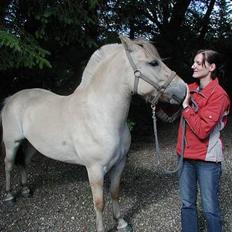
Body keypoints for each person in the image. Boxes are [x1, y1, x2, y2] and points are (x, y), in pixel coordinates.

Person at [176, 49, 230, 232]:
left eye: (198, 63)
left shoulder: (219, 95)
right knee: (187, 204)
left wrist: (185, 107)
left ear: (211, 67)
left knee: (210, 209)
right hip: (185, 156)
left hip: (207, 160)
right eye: (194, 62)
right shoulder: (188, 89)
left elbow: (202, 130)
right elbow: (165, 114)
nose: (193, 66)